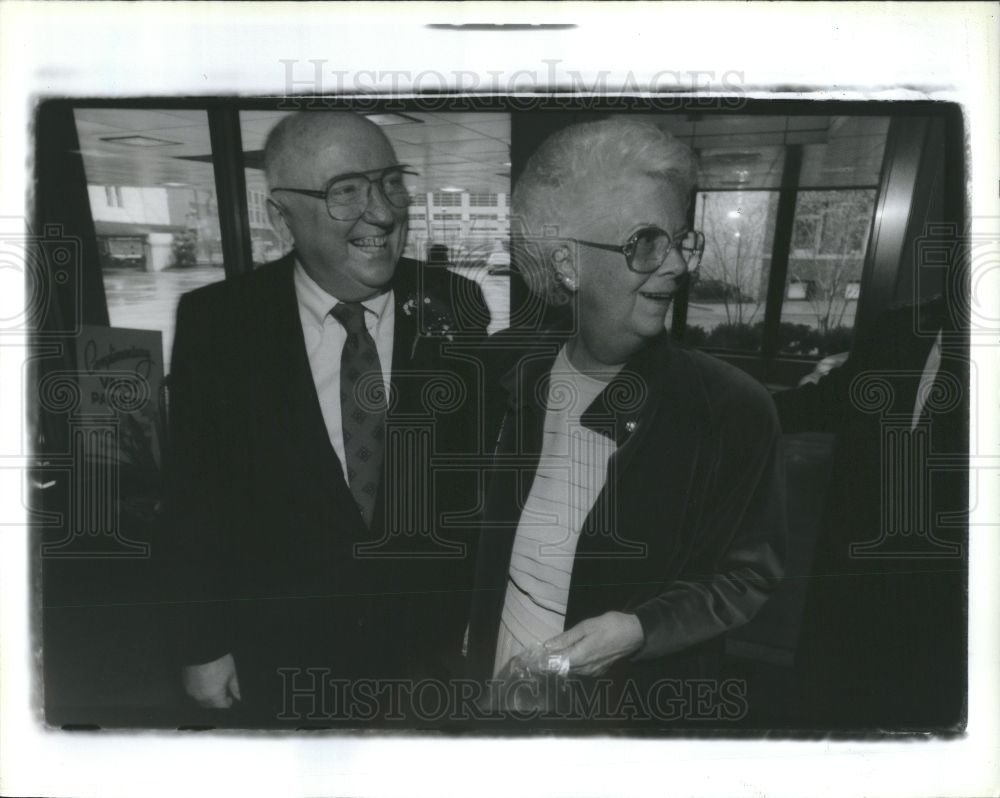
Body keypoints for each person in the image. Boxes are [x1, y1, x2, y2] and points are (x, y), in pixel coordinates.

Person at [161, 111, 488, 725]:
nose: (384, 213)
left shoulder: (457, 304)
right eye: (347, 191)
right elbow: (191, 502)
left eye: (392, 182)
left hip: (425, 658)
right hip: (282, 652)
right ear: (280, 214)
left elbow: (470, 489)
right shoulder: (219, 323)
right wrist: (200, 643)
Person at [466, 119, 787, 723]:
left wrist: (639, 628)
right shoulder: (508, 379)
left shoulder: (729, 408)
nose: (675, 268)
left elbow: (748, 576)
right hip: (495, 682)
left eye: (680, 240)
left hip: (626, 712)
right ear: (568, 263)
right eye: (645, 242)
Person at [774, 294, 968, 729]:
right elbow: (833, 401)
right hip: (857, 560)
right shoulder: (899, 328)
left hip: (946, 584)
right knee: (831, 699)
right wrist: (738, 413)